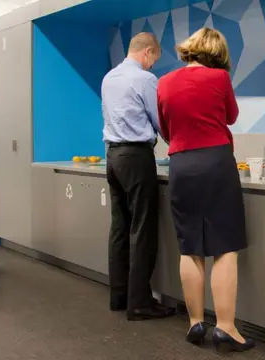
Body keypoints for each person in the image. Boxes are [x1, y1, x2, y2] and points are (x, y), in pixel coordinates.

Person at [157, 28, 254, 353]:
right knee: (224, 247)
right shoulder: (218, 79)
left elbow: (166, 129)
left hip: (181, 165)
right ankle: (225, 327)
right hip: (215, 162)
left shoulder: (165, 82)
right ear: (217, 53)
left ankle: (195, 321)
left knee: (190, 247)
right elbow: (231, 116)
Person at [101, 32, 175, 321]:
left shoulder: (109, 78)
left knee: (119, 227)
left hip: (113, 156)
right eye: (153, 60)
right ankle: (140, 303)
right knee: (143, 229)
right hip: (136, 157)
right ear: (147, 52)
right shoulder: (145, 80)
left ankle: (119, 296)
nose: (151, 66)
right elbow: (159, 121)